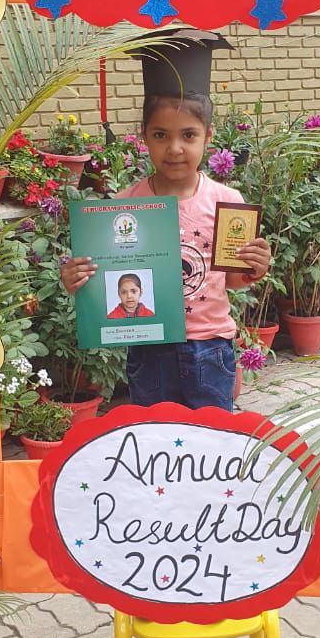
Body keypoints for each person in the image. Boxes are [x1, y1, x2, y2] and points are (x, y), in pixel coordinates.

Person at [61, 30, 271, 409]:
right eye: (161, 135)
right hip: (150, 350)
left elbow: (233, 281)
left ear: (207, 136)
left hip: (210, 347)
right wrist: (79, 281)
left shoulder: (227, 201)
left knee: (211, 439)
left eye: (188, 135)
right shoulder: (123, 206)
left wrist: (254, 268)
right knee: (154, 437)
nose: (175, 148)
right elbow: (106, 284)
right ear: (144, 136)